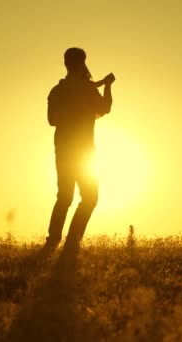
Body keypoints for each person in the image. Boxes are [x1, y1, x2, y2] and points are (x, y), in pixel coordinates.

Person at [43, 47, 115, 258]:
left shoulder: (58, 90)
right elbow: (105, 107)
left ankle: (55, 242)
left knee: (65, 197)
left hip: (66, 151)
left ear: (65, 63)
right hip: (83, 153)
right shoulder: (84, 89)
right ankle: (71, 243)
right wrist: (107, 86)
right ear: (83, 63)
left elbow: (52, 119)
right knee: (89, 198)